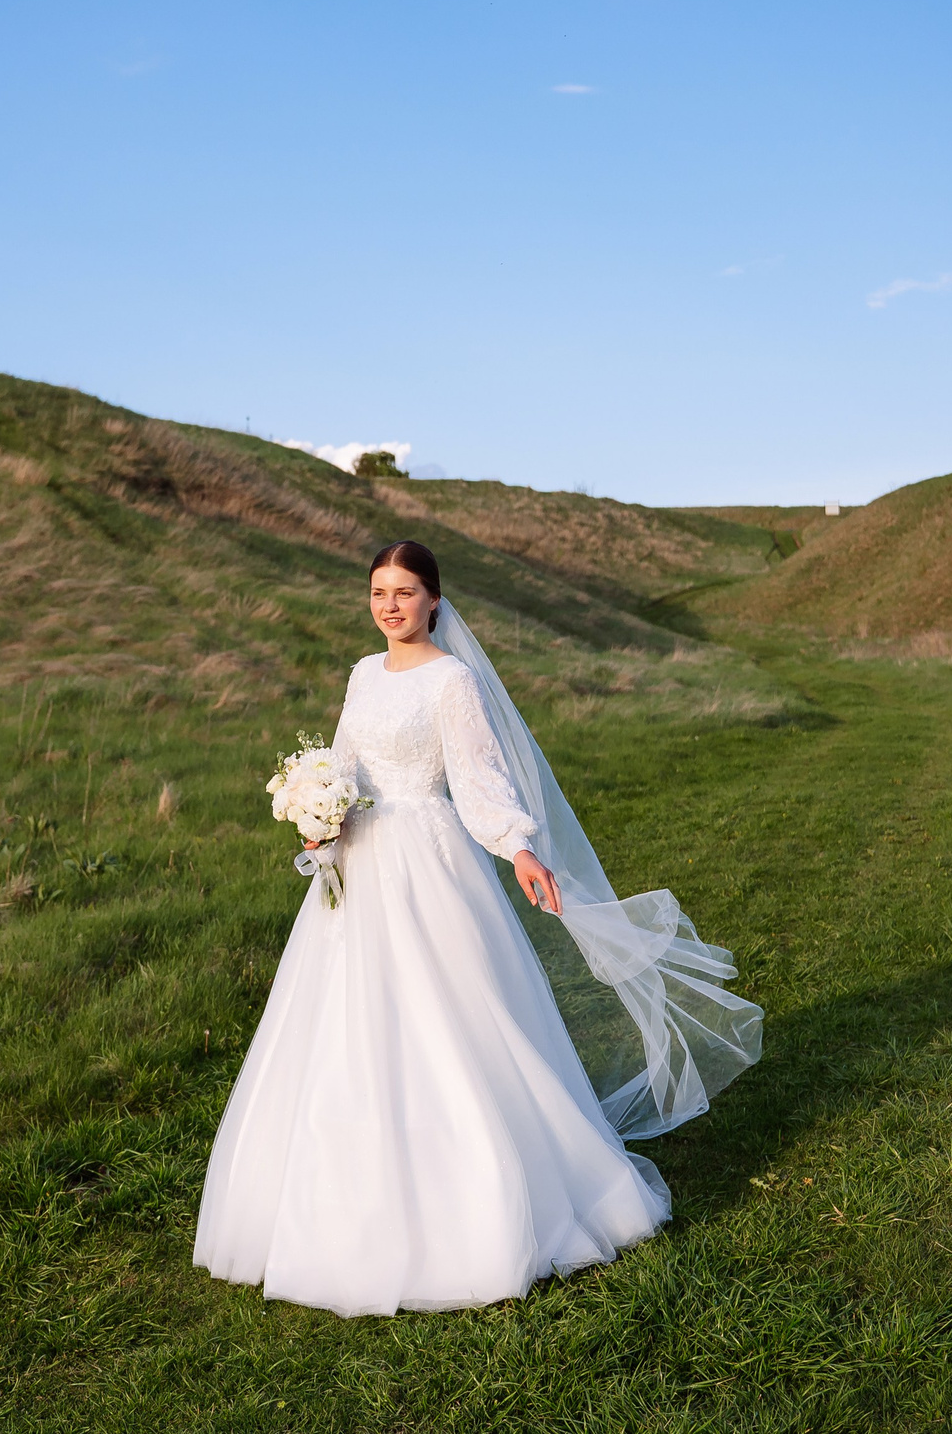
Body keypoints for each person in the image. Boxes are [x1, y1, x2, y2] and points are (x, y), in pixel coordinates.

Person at [193, 540, 762, 1317]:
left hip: (428, 861)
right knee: (344, 1017)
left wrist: (518, 847)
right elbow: (345, 763)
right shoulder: (362, 673)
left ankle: (484, 1194)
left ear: (434, 599)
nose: (390, 605)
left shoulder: (452, 680)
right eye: (378, 591)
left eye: (405, 591)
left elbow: (478, 778)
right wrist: (319, 810)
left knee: (452, 1012)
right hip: (357, 863)